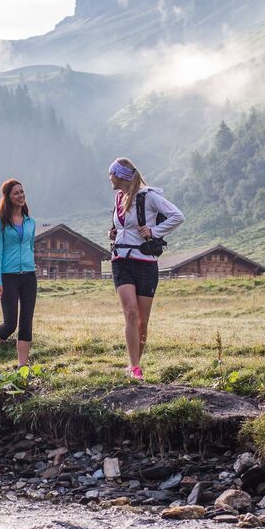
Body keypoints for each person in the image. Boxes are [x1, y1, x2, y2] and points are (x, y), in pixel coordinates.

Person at [108, 157, 184, 380]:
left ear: (120, 175)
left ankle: (136, 363)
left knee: (143, 320)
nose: (108, 178)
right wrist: (113, 233)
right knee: (130, 312)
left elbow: (177, 216)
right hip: (121, 260)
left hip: (146, 263)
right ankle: (134, 367)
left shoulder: (148, 196)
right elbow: (123, 226)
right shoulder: (118, 198)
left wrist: (154, 231)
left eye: (111, 174)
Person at [0, 179, 37, 377]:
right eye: (16, 193)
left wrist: (31, 265)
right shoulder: (0, 223)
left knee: (26, 321)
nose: (21, 196)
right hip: (8, 276)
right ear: (8, 197)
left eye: (22, 192)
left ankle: (22, 367)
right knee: (10, 323)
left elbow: (30, 248)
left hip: (28, 276)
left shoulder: (30, 222)